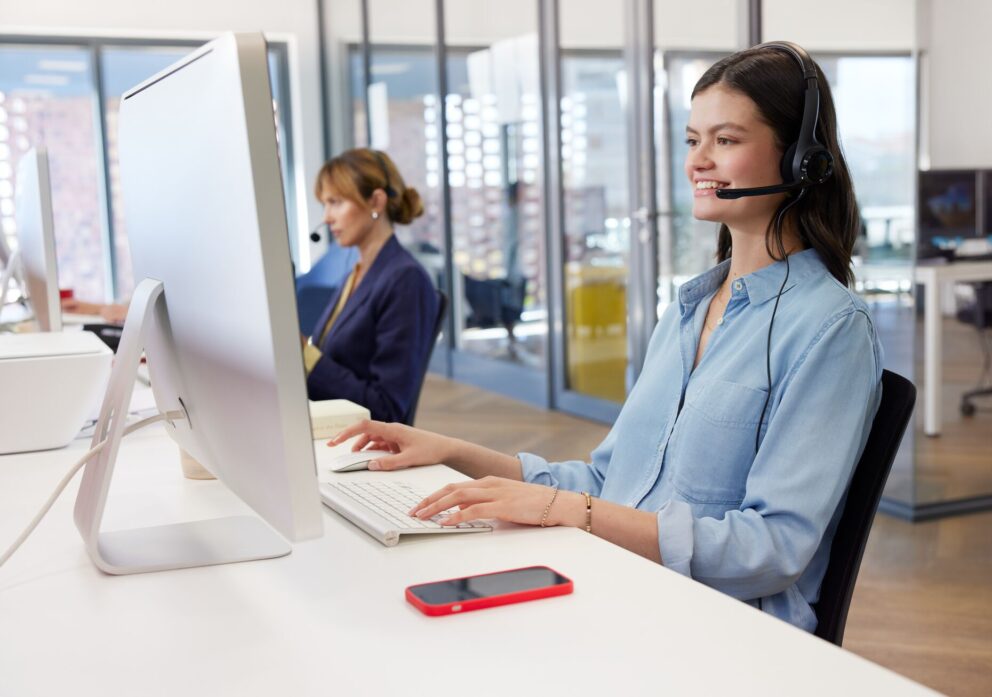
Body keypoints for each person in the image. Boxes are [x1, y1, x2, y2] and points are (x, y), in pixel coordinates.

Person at [329, 43, 883, 633]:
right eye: (692, 140)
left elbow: (771, 549)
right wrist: (452, 453)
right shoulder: (690, 311)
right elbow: (605, 485)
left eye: (726, 140)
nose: (698, 161)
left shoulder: (831, 329)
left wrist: (574, 513)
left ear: (801, 159)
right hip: (619, 582)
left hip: (718, 628)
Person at [304, 149, 439, 424]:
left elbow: (387, 407)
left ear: (376, 201)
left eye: (336, 202)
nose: (327, 217)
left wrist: (306, 357)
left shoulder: (405, 280)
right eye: (325, 204)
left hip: (364, 444)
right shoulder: (356, 273)